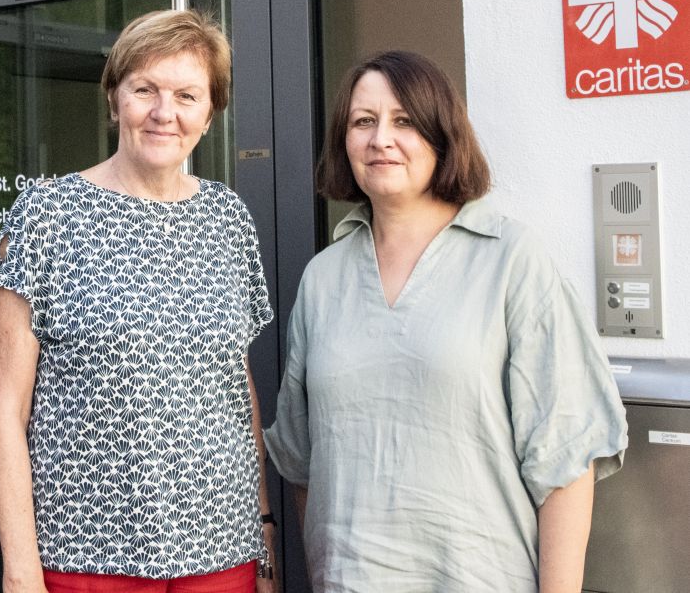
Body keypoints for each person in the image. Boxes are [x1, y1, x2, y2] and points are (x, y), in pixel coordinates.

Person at [264, 50, 627, 593]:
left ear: (442, 135)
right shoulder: (323, 279)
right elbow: (303, 464)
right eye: (363, 121)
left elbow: (565, 460)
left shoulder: (511, 260)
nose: (380, 139)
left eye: (404, 121)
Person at [0, 9, 277, 593]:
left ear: (209, 115)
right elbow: (3, 414)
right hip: (88, 555)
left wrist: (263, 534)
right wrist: (21, 572)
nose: (164, 112)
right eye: (145, 89)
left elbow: (234, 383)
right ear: (115, 100)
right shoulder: (46, 214)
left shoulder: (228, 218)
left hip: (222, 550)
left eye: (187, 95)